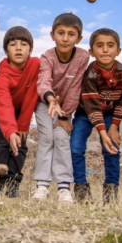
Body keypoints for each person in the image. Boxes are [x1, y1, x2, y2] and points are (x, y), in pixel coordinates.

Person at [33, 13, 90, 203]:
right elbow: (43, 81)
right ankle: (41, 185)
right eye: (61, 33)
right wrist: (50, 99)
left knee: (61, 138)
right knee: (47, 138)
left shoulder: (82, 57)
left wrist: (65, 116)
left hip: (66, 108)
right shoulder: (47, 57)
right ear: (52, 35)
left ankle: (64, 187)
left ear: (79, 38)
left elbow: (75, 88)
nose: (65, 38)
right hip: (45, 103)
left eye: (71, 34)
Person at [71, 28, 122, 205]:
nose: (105, 50)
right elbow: (92, 106)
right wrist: (102, 133)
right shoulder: (90, 74)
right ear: (91, 51)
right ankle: (82, 190)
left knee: (112, 149)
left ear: (118, 50)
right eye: (100, 46)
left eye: (110, 46)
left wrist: (113, 127)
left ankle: (111, 192)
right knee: (75, 147)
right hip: (86, 113)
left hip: (111, 114)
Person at [0, 26, 40, 198]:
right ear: (6, 50)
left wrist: (23, 125)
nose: (18, 48)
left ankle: (13, 184)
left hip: (22, 110)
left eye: (24, 44)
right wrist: (11, 131)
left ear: (30, 49)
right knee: (4, 137)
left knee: (21, 143)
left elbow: (32, 96)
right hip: (0, 109)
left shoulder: (35, 65)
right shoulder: (2, 74)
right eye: (13, 44)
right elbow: (3, 104)